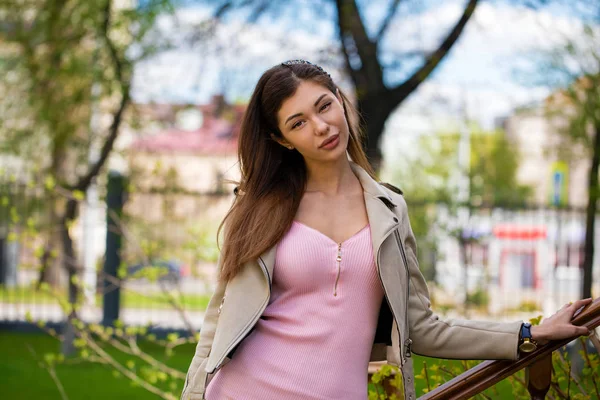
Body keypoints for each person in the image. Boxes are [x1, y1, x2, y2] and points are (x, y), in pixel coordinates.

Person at [181, 60, 593, 400]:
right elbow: (217, 324)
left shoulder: (389, 210)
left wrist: (530, 333)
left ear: (341, 101)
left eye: (324, 106)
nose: (321, 126)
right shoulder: (258, 208)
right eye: (298, 123)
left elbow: (423, 328)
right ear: (282, 140)